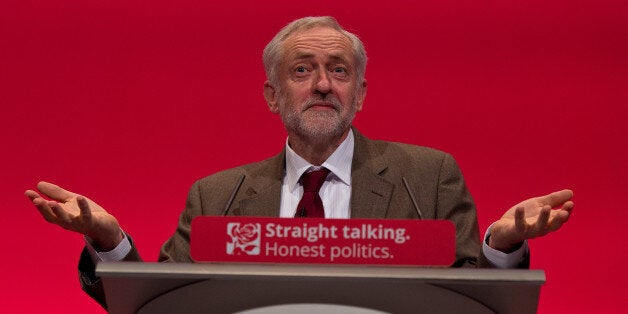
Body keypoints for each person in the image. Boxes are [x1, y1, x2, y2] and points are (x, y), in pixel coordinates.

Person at [25, 16, 574, 309]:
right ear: (271, 95)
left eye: (338, 71)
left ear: (359, 94)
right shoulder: (219, 196)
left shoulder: (425, 177)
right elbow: (163, 300)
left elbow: (470, 298)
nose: (322, 85)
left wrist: (501, 250)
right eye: (302, 70)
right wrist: (109, 241)